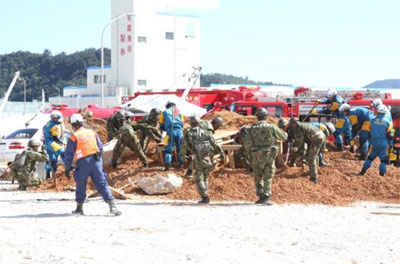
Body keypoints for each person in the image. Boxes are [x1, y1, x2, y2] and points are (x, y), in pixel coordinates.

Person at [64, 114, 121, 216]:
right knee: (102, 184)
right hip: (96, 161)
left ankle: (79, 209)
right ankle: (113, 207)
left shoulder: (74, 137)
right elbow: (100, 148)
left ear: (72, 125)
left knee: (81, 185)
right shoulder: (92, 133)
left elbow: (69, 155)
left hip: (83, 163)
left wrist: (68, 168)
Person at [246, 108, 287, 204]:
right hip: (269, 154)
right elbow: (284, 137)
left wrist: (249, 154)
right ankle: (266, 196)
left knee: (257, 175)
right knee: (268, 175)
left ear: (257, 117)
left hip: (256, 154)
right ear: (266, 117)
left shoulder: (252, 128)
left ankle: (260, 195)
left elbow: (247, 143)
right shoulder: (271, 127)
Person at [180, 118, 225, 204]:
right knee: (205, 176)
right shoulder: (206, 131)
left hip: (197, 157)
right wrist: (222, 154)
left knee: (198, 177)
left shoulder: (189, 132)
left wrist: (182, 155)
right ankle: (206, 195)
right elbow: (214, 143)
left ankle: (205, 197)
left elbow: (184, 145)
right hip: (207, 156)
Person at [280, 117, 326, 183]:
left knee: (311, 157)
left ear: (293, 123)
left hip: (316, 138)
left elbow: (300, 140)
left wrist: (297, 147)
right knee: (315, 155)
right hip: (320, 136)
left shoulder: (297, 127)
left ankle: (314, 178)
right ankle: (314, 171)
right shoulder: (302, 125)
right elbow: (305, 139)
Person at [358, 105, 393, 177]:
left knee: (370, 157)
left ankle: (362, 171)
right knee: (383, 159)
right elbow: (390, 136)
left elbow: (368, 133)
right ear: (385, 112)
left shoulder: (371, 121)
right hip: (384, 143)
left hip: (374, 143)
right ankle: (382, 174)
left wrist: (371, 141)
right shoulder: (388, 122)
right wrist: (391, 145)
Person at [159, 101, 184, 171]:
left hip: (170, 131)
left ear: (167, 106)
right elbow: (182, 124)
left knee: (168, 149)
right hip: (179, 131)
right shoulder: (179, 112)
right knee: (179, 149)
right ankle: (181, 164)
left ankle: (167, 166)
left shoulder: (164, 112)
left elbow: (161, 125)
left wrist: (165, 128)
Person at [43, 110, 65, 178]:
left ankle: (48, 175)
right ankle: (67, 166)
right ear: (54, 118)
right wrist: (62, 142)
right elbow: (56, 138)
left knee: (52, 159)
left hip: (46, 143)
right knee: (62, 152)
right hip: (51, 142)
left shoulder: (48, 123)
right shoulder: (54, 126)